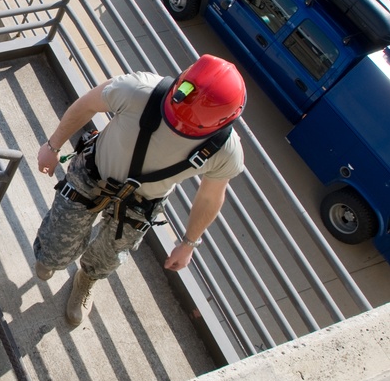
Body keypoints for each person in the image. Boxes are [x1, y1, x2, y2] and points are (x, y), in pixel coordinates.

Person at [33, 56, 246, 327]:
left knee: (108, 256)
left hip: (141, 200)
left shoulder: (224, 150)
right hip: (93, 173)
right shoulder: (139, 90)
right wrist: (52, 147)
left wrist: (188, 243)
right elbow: (87, 104)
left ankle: (86, 279)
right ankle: (52, 256)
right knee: (53, 250)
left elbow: (210, 196)